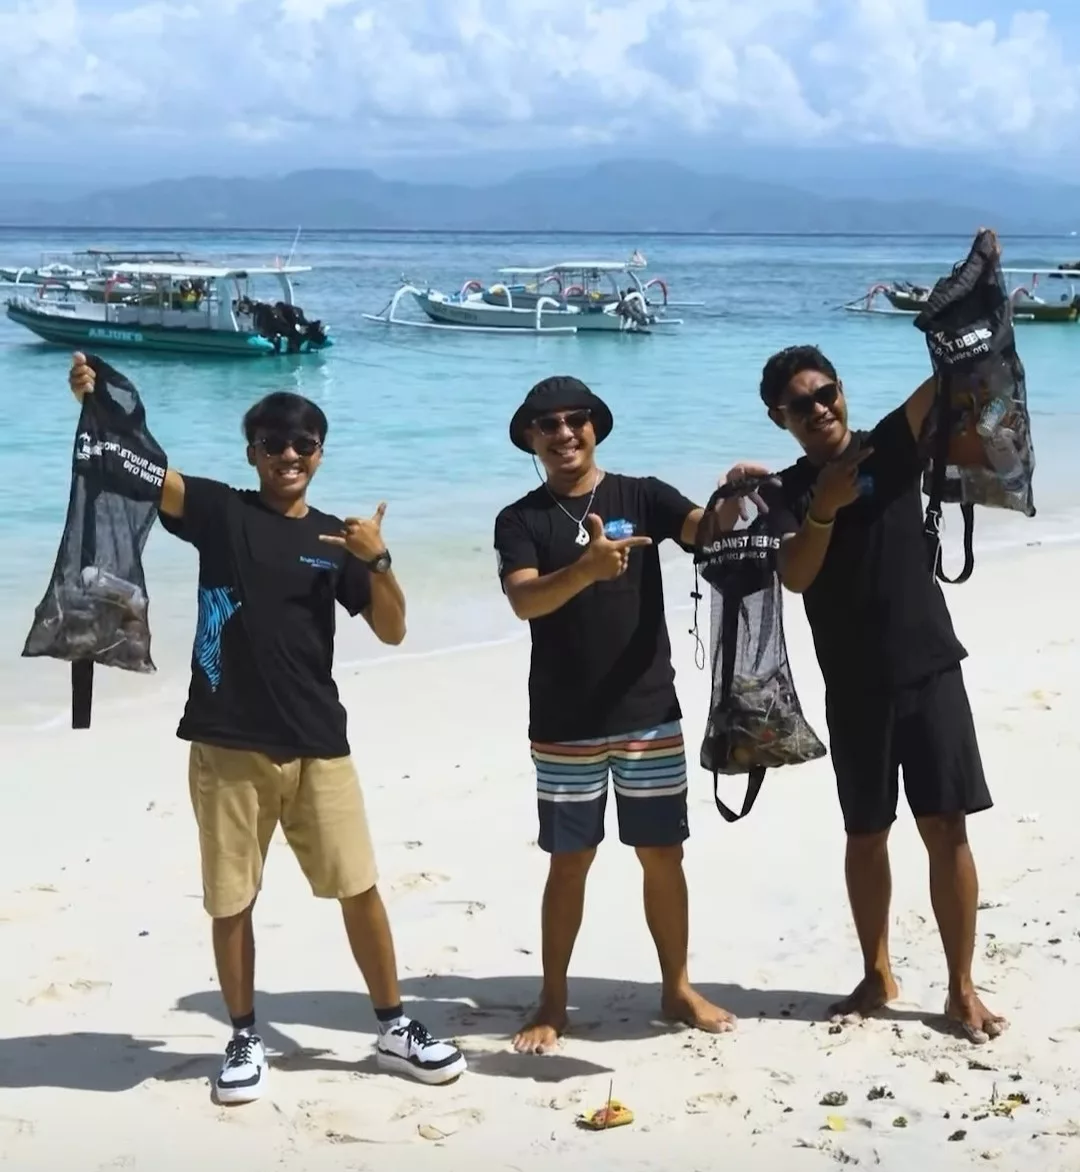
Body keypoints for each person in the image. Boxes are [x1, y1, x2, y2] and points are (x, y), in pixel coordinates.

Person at [67, 353, 466, 1101]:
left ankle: (393, 1025)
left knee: (360, 888)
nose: (289, 454)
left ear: (320, 455)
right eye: (274, 442)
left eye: (303, 443)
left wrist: (379, 562)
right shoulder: (222, 512)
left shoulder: (337, 540)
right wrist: (100, 405)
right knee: (232, 898)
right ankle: (244, 1036)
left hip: (319, 741)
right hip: (227, 740)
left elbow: (393, 631)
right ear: (251, 452)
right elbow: (142, 470)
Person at [718, 325, 1006, 1044]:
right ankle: (877, 972)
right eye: (798, 404)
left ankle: (961, 987)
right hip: (853, 687)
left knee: (947, 827)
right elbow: (795, 574)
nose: (818, 408)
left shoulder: (889, 448)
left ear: (841, 391)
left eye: (825, 392)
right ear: (778, 418)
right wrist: (825, 506)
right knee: (866, 832)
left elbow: (950, 380)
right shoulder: (784, 493)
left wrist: (972, 298)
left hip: (929, 665)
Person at [493, 374, 735, 1054]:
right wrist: (586, 570)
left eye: (576, 420)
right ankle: (553, 998)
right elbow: (525, 602)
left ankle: (678, 987)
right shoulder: (520, 520)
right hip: (564, 720)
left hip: (647, 710)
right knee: (569, 860)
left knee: (663, 855)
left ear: (595, 425)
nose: (564, 432)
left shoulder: (641, 495)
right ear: (531, 439)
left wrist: (739, 494)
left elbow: (705, 531)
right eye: (548, 424)